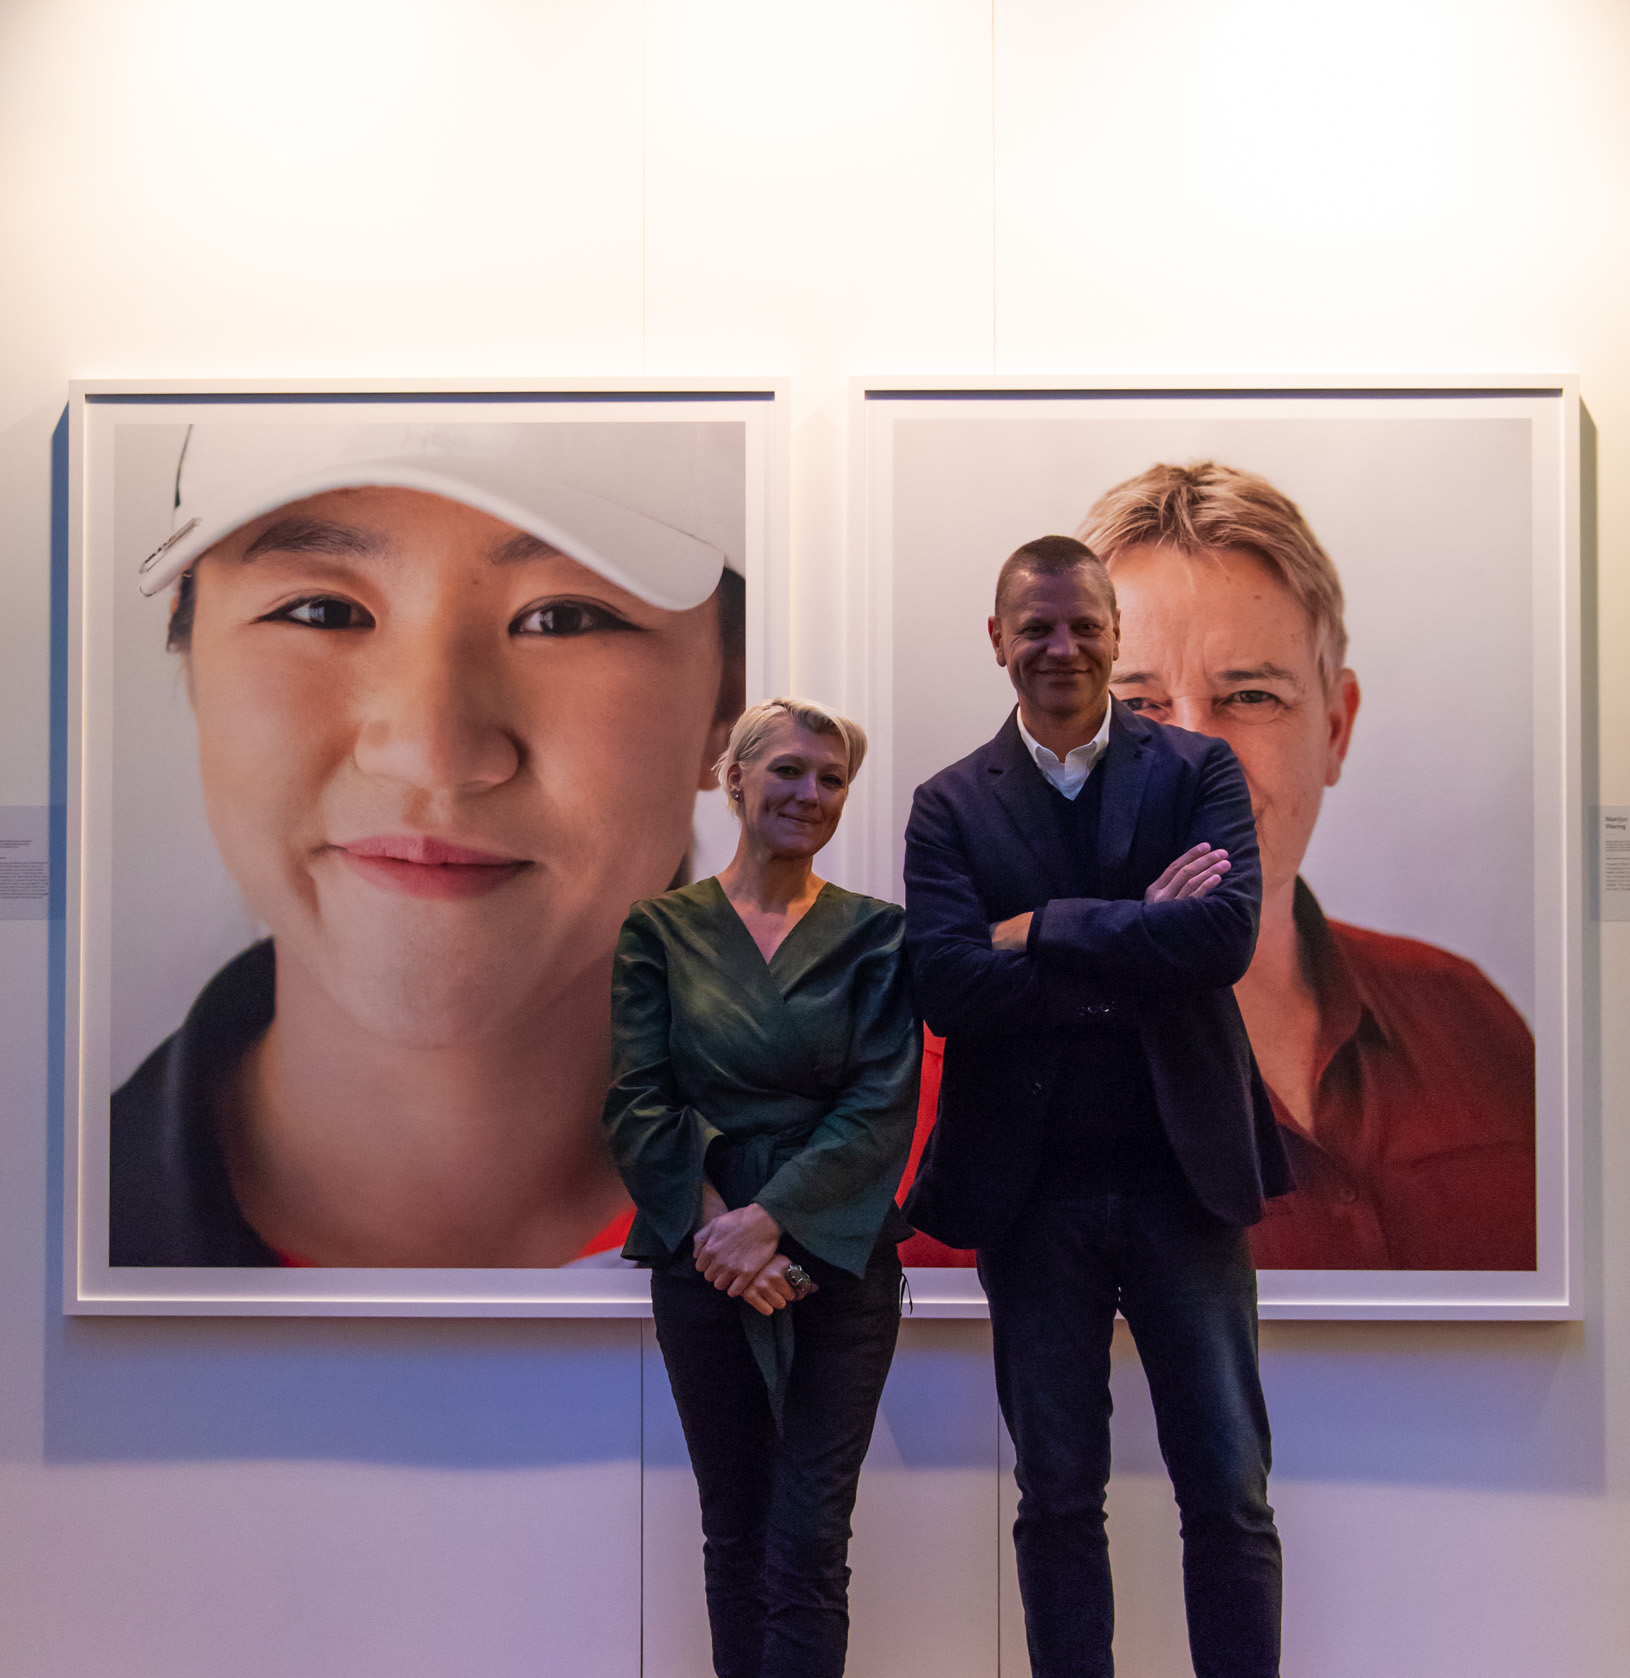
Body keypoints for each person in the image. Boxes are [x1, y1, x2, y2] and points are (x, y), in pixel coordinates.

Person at [111, 418, 746, 1267]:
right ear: (193, 661)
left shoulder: (940, 1186)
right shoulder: (33, 1234)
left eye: (562, 617)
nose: (432, 753)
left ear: (727, 708)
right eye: (322, 610)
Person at [903, 536, 1290, 1678]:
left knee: (1228, 1491)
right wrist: (1133, 931)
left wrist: (1046, 926)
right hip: (1031, 1197)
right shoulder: (947, 804)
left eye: (1082, 625)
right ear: (996, 641)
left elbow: (1218, 939)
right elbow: (948, 984)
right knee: (1057, 1498)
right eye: (1036, 628)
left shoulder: (1198, 770)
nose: (1060, 647)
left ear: (1116, 635)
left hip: (1187, 1183)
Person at [1078, 461, 1536, 1271]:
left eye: (1251, 696)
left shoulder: (1476, 1021)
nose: (1196, 761)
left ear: (1334, 727)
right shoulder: (960, 1060)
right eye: (1138, 705)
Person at [602, 697, 919, 1678]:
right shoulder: (658, 929)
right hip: (701, 1262)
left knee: (810, 1540)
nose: (810, 793)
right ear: (730, 778)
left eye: (830, 779)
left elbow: (879, 1104)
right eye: (788, 769)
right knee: (734, 1530)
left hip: (839, 1265)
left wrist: (772, 1222)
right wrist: (717, 1233)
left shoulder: (876, 936)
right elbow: (635, 1097)